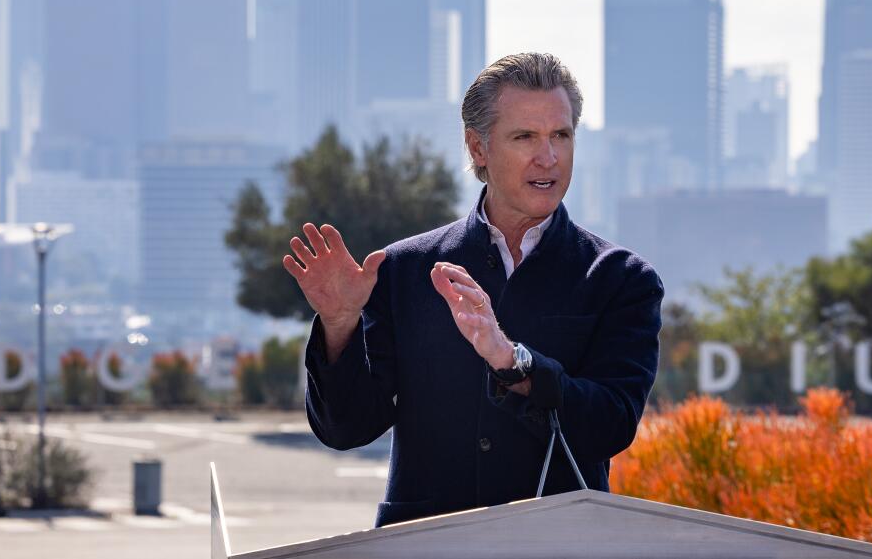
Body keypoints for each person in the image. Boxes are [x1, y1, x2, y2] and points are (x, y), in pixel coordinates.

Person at [283, 52, 663, 527]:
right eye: (525, 137)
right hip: (424, 545)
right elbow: (346, 429)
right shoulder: (404, 270)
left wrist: (513, 362)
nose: (548, 157)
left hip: (558, 543)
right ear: (478, 148)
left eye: (561, 136)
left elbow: (611, 425)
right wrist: (340, 327)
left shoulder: (621, 278)